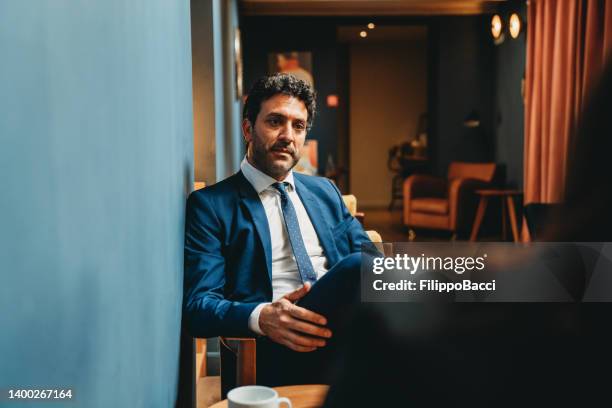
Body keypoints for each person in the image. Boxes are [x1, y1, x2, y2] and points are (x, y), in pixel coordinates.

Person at [183, 73, 370, 387]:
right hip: (270, 349)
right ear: (248, 129)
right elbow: (198, 308)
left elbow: (374, 262)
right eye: (275, 122)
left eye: (298, 126)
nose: (288, 136)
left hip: (345, 336)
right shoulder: (211, 205)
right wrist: (262, 317)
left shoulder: (325, 191)